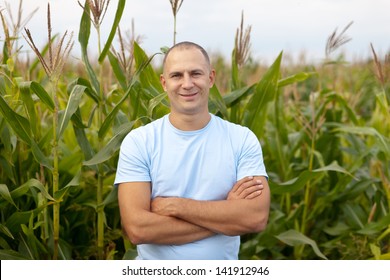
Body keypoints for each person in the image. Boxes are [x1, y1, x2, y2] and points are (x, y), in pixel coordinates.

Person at [115, 41, 270, 260]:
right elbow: (137, 229)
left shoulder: (241, 139)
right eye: (177, 75)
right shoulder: (139, 142)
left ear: (211, 78)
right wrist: (227, 215)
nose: (187, 84)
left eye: (196, 73)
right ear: (163, 82)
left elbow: (255, 218)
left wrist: (175, 206)